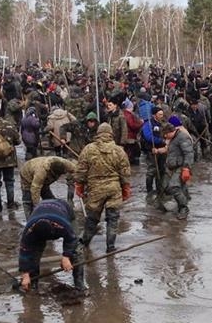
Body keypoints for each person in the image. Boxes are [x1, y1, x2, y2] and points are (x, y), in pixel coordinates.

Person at [76, 123, 131, 252]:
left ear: (98, 133)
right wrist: (126, 188)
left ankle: (84, 242)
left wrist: (79, 186)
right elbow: (125, 171)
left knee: (92, 218)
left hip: (95, 189)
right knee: (113, 218)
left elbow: (81, 170)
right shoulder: (118, 150)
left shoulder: (88, 149)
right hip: (114, 188)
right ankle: (110, 246)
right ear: (111, 134)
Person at [18, 199, 85, 294]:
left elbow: (72, 239)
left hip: (63, 209)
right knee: (35, 252)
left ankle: (79, 285)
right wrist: (25, 274)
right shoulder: (29, 231)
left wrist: (66, 256)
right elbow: (25, 251)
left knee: (77, 250)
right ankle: (32, 284)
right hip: (40, 210)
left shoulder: (62, 224)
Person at [161, 122, 195, 220]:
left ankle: (184, 208)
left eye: (165, 135)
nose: (165, 137)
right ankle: (182, 204)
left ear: (170, 131)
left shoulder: (182, 137)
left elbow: (189, 154)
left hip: (182, 166)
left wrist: (186, 168)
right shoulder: (173, 138)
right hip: (174, 166)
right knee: (179, 187)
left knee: (173, 187)